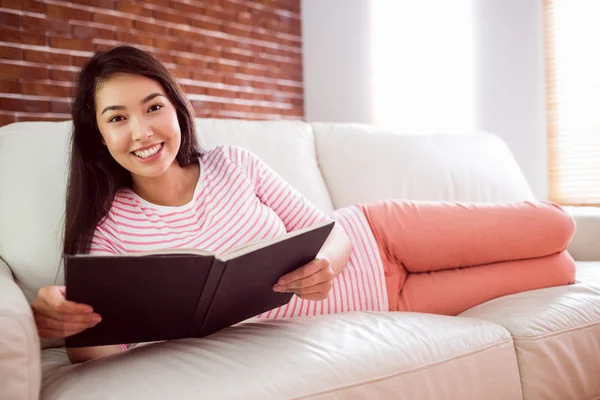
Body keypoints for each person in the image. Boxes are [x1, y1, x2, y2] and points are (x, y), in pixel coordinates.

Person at [31, 46, 576, 364]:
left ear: (176, 110)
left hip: (379, 234)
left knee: (555, 228)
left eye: (153, 107)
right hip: (391, 300)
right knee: (562, 268)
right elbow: (96, 352)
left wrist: (328, 263)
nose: (143, 131)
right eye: (117, 117)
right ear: (97, 135)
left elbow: (326, 229)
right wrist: (62, 321)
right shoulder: (112, 232)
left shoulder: (234, 164)